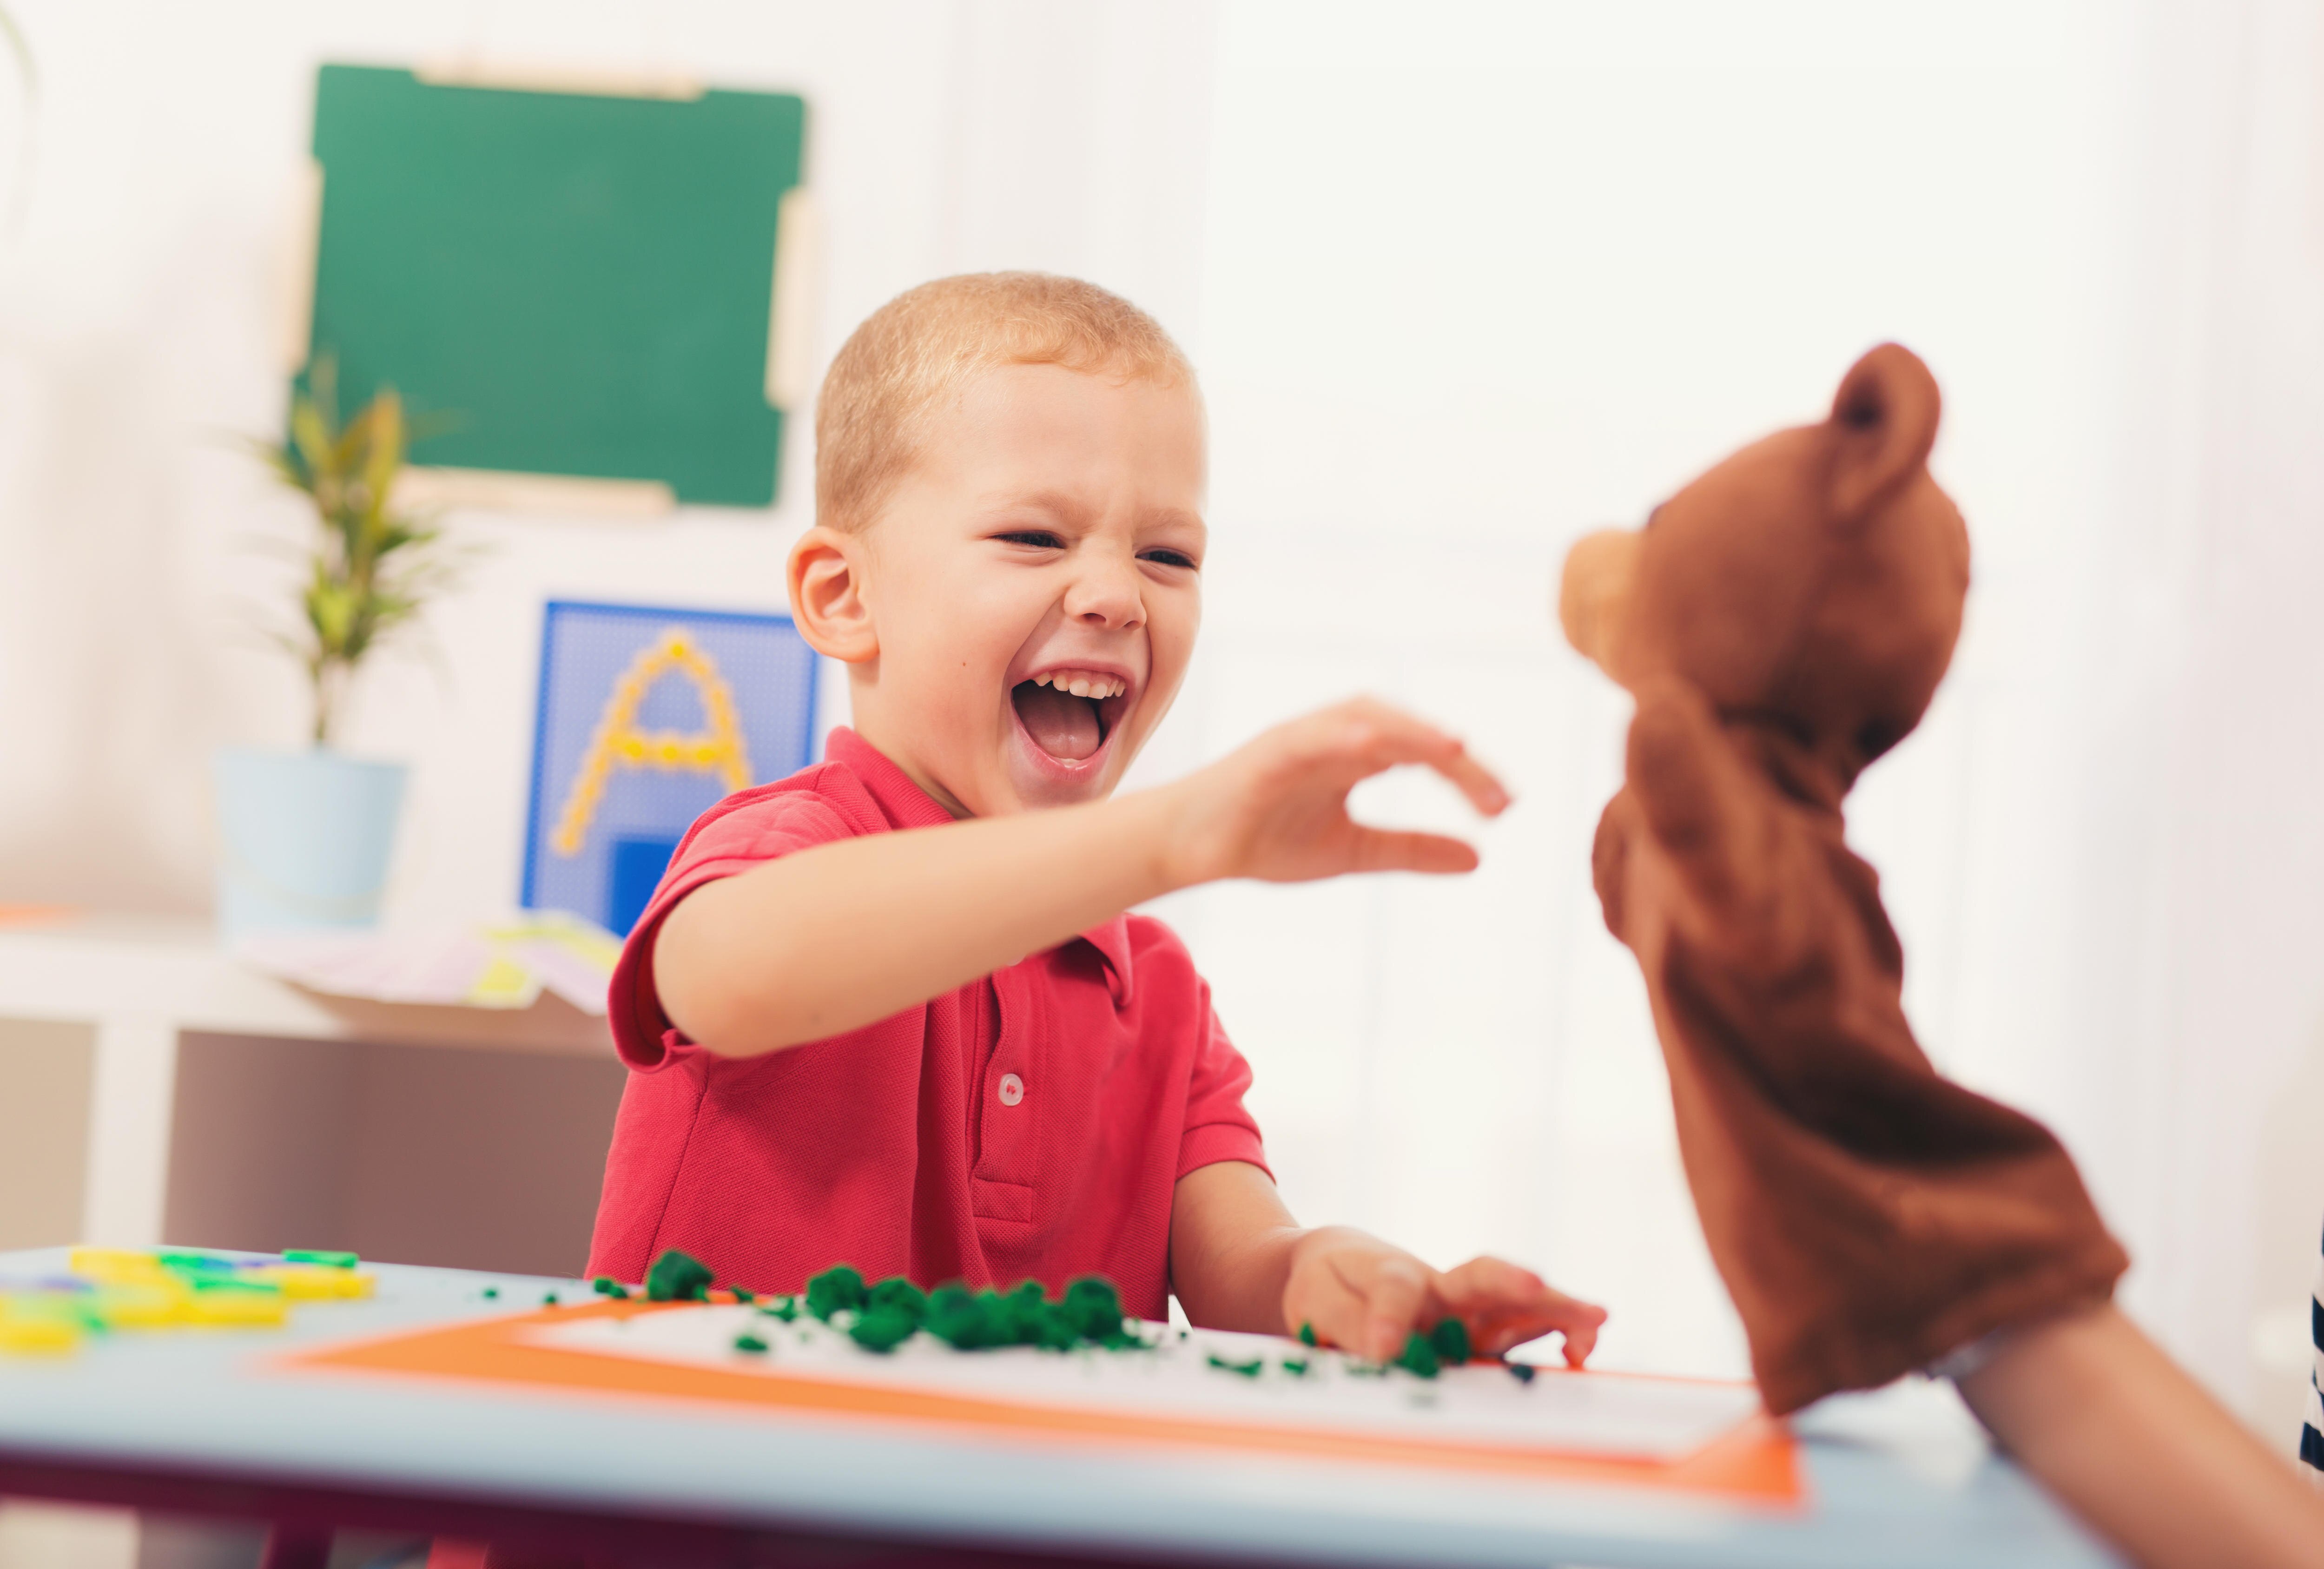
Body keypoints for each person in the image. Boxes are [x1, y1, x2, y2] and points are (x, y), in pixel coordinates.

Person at [586, 272, 1605, 1365]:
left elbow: (1242, 1271)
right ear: (844, 596)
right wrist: (1172, 835)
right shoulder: (788, 849)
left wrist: (1347, 1282)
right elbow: (733, 976)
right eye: (1034, 536)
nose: (1117, 594)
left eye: (1168, 554)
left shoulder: (1157, 992)